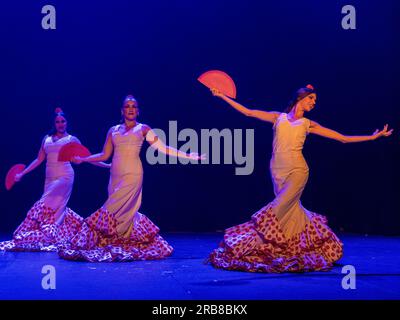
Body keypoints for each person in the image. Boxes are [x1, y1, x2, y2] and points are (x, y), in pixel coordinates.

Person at [208, 85, 393, 272]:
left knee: (277, 210)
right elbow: (248, 112)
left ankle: (245, 245)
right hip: (277, 171)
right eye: (311, 98)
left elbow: (342, 138)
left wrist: (372, 137)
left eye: (315, 100)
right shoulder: (278, 118)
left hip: (298, 171)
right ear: (301, 98)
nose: (314, 102)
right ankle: (312, 246)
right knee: (291, 214)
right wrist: (223, 96)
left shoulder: (308, 124)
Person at [58, 95, 205, 262]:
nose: (130, 108)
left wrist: (188, 155)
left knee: (110, 209)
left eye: (134, 106)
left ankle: (107, 240)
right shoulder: (113, 130)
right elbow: (104, 155)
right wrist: (83, 159)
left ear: (138, 110)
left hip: (133, 175)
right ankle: (118, 242)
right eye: (127, 106)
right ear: (122, 110)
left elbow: (162, 148)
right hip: (115, 176)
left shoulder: (143, 129)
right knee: (121, 214)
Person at [0, 108, 110, 252]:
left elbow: (87, 158)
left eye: (63, 121)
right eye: (57, 121)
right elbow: (39, 160)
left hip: (65, 177)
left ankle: (29, 229)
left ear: (67, 122)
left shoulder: (71, 139)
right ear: (54, 123)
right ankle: (55, 235)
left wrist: (106, 165)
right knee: (54, 210)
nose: (60, 124)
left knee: (43, 202)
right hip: (49, 178)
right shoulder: (46, 139)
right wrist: (22, 173)